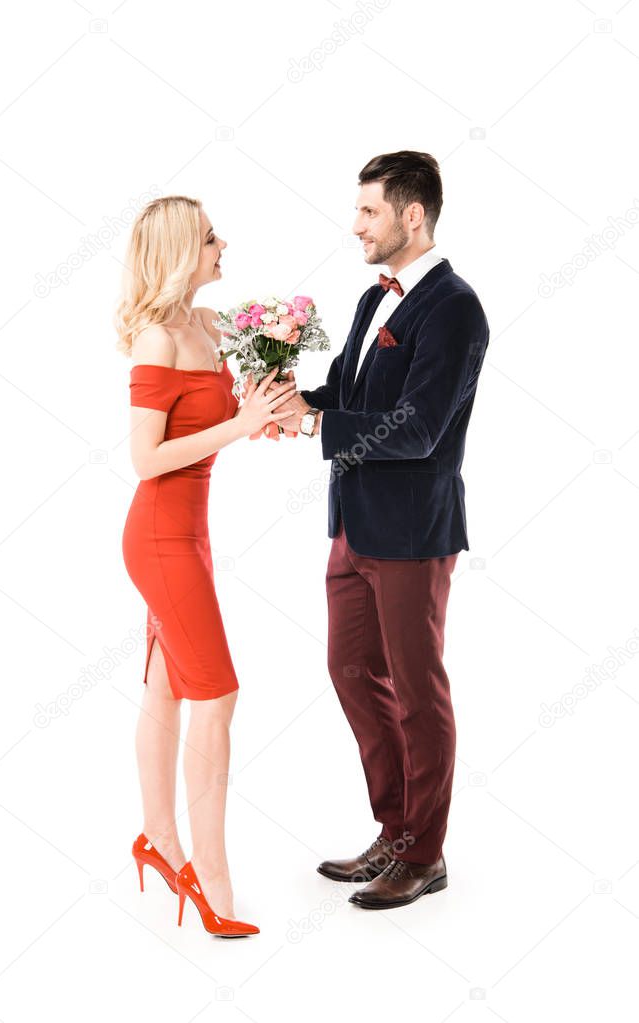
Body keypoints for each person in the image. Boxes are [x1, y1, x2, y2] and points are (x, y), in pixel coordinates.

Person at [269, 151, 490, 910]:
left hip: (410, 532)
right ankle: (395, 828)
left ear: (412, 215)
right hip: (350, 526)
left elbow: (421, 427)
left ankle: (423, 854)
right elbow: (349, 393)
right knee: (349, 668)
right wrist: (287, 401)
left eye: (368, 211)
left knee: (418, 693)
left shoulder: (454, 306)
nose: (355, 224)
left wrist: (321, 422)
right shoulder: (373, 301)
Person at [116, 195, 295, 936]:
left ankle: (158, 839)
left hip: (192, 534)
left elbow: (217, 424)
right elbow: (144, 457)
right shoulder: (157, 336)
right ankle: (210, 877)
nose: (225, 244)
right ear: (181, 249)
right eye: (212, 236)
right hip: (158, 536)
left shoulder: (210, 325)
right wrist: (236, 423)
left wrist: (262, 419)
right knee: (215, 695)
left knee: (169, 689)